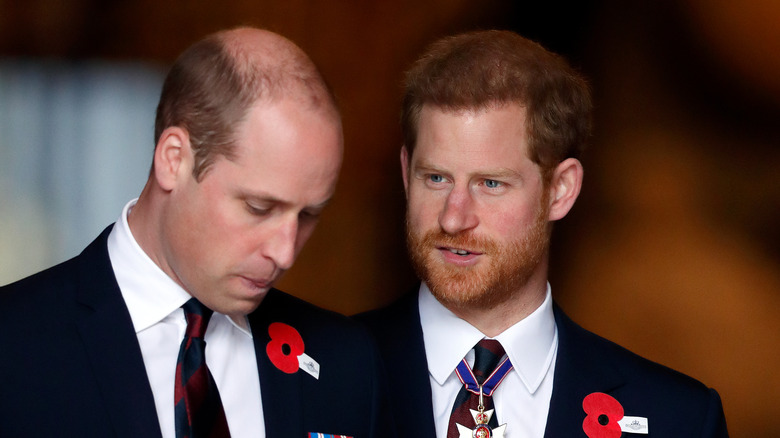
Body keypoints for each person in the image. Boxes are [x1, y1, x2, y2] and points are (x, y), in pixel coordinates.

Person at [0, 27, 392, 438]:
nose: (285, 252)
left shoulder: (347, 364)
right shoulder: (14, 345)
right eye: (259, 208)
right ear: (174, 160)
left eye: (308, 215)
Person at [356, 30, 728, 438]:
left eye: (490, 184)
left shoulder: (680, 419)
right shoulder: (319, 372)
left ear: (560, 190)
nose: (453, 218)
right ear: (407, 174)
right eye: (437, 178)